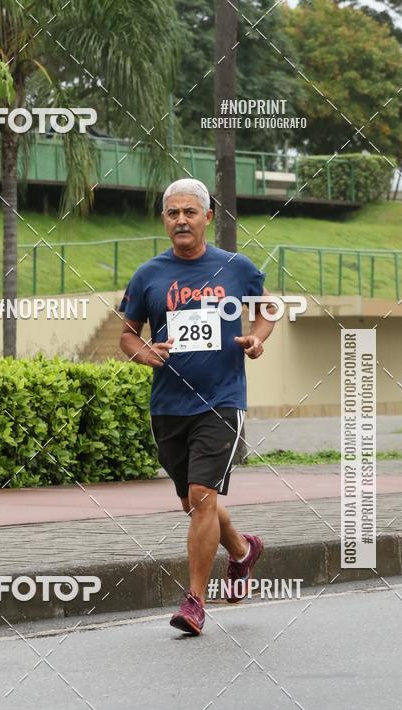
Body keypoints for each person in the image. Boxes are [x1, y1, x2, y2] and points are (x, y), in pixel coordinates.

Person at [119, 178, 275, 635]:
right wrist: (143, 352)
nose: (181, 220)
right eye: (173, 213)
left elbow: (268, 309)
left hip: (222, 400)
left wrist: (256, 339)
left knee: (203, 495)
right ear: (164, 220)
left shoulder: (236, 267)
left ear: (207, 218)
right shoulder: (148, 274)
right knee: (193, 501)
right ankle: (243, 550)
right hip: (169, 405)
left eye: (190, 212)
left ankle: (195, 603)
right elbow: (127, 334)